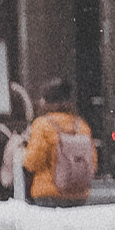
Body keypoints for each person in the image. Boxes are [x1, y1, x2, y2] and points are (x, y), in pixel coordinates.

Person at [21, 77, 96, 205]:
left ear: (45, 101)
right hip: (78, 194)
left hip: (49, 194)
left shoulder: (42, 125)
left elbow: (32, 162)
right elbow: (92, 162)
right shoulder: (81, 125)